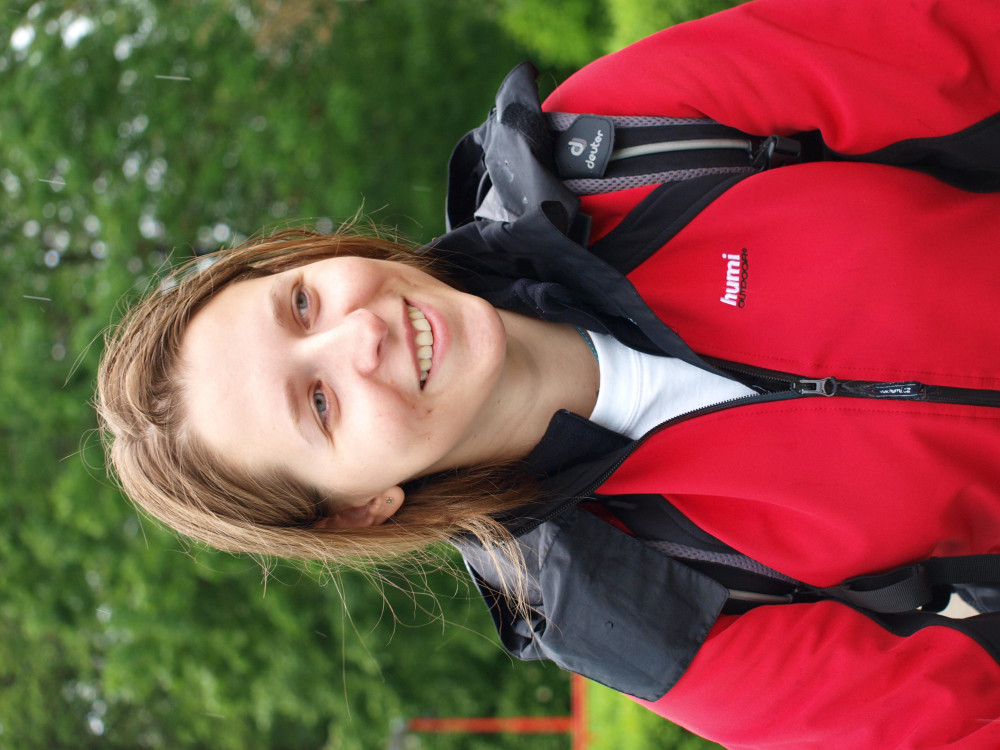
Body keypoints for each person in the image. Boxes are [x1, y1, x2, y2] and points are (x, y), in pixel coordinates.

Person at [97, 0, 1000, 747]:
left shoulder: (623, 138)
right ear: (360, 507)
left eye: (301, 304)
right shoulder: (640, 609)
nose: (359, 332)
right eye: (321, 403)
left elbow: (961, 44)